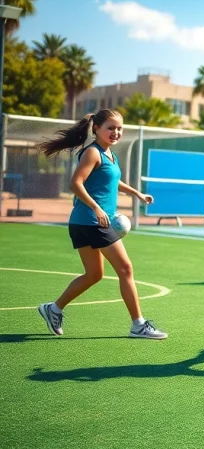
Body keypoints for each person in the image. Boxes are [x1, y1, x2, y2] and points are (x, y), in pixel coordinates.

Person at [35, 110, 167, 340]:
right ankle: (138, 325)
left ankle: (53, 309)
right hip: (92, 222)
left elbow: (113, 181)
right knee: (125, 269)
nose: (116, 132)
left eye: (119, 128)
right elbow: (76, 183)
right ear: (96, 128)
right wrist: (96, 208)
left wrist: (137, 193)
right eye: (110, 127)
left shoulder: (109, 155)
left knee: (94, 274)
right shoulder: (93, 153)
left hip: (82, 223)